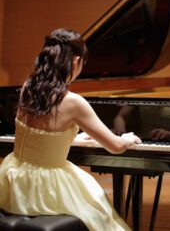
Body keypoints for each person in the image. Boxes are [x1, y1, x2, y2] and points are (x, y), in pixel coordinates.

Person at [0, 28, 141, 231]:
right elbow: (115, 147)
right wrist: (126, 138)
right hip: (43, 189)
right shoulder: (74, 102)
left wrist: (71, 140)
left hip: (12, 180)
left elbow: (38, 138)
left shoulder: (28, 87)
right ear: (75, 61)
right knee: (98, 214)